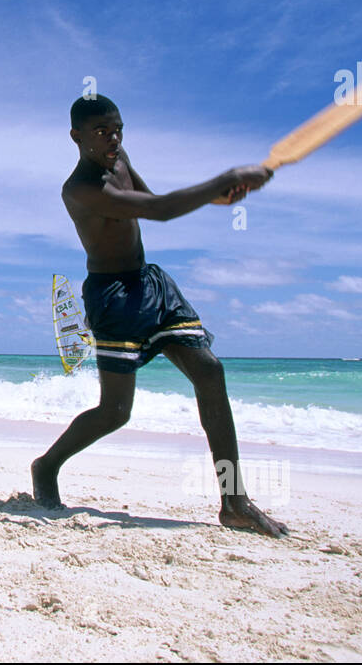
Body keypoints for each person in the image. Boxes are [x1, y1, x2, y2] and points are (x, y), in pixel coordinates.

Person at [32, 94, 288, 538]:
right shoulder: (80, 188)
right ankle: (46, 466)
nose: (112, 138)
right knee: (115, 412)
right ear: (76, 136)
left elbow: (150, 198)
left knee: (210, 372)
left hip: (152, 285)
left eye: (118, 129)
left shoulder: (119, 158)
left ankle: (234, 501)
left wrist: (221, 198)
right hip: (113, 298)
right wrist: (224, 177)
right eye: (101, 132)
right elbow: (159, 211)